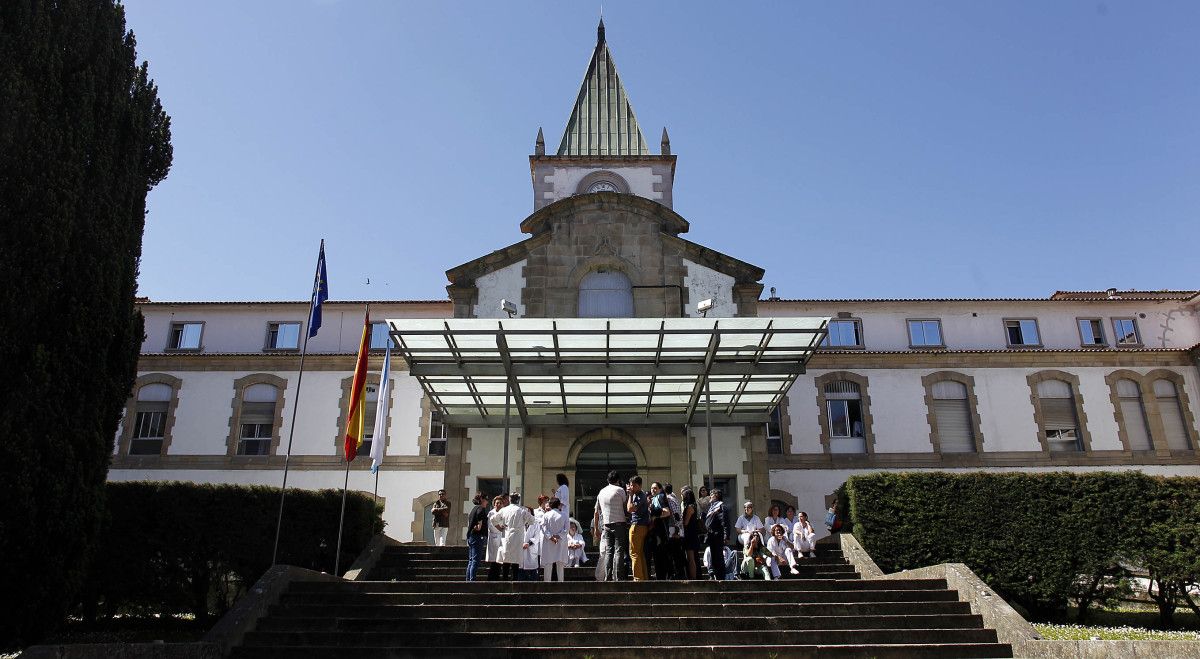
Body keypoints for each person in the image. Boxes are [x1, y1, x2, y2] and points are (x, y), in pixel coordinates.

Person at [596, 470, 629, 581]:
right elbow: (626, 507)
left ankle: (608, 576)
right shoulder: (620, 490)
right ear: (618, 480)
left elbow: (598, 509)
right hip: (619, 523)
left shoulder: (601, 491)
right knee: (619, 550)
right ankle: (619, 576)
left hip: (606, 524)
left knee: (609, 551)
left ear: (608, 480)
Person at [493, 492, 532, 581]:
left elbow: (493, 519)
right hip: (518, 537)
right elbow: (532, 521)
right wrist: (524, 522)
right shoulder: (522, 510)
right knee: (516, 561)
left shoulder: (504, 510)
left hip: (507, 536)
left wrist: (500, 527)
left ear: (510, 500)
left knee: (506, 559)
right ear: (518, 500)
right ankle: (515, 581)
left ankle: (505, 581)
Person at [626, 475, 650, 581]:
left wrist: (630, 495)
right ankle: (643, 577)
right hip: (641, 526)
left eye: (634, 486)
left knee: (634, 553)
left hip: (637, 526)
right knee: (639, 553)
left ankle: (638, 578)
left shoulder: (640, 496)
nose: (632, 488)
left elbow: (630, 509)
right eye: (631, 485)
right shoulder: (640, 495)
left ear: (639, 486)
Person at [539, 497, 569, 581]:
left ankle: (547, 583)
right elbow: (566, 529)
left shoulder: (546, 515)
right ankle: (561, 582)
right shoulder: (564, 515)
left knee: (548, 563)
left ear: (550, 505)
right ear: (559, 505)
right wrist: (558, 536)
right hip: (560, 541)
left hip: (549, 541)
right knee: (560, 564)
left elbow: (543, 528)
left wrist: (551, 537)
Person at [648, 482, 672, 580]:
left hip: (661, 531)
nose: (653, 490)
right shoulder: (654, 499)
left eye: (655, 488)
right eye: (651, 488)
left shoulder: (660, 497)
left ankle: (663, 576)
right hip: (657, 531)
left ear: (660, 489)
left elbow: (667, 512)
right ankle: (661, 576)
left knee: (661, 554)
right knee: (658, 555)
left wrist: (655, 517)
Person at [703, 488, 729, 581]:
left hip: (718, 535)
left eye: (712, 494)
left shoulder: (720, 506)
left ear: (717, 496)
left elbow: (725, 522)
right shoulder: (711, 507)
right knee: (713, 557)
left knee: (719, 557)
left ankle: (721, 578)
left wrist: (726, 536)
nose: (710, 496)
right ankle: (715, 576)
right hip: (711, 536)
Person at [465, 493, 490, 581]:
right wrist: (479, 525)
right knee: (475, 560)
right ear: (482, 500)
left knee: (471, 560)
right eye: (486, 500)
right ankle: (472, 580)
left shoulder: (473, 509)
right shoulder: (480, 509)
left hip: (471, 536)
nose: (487, 502)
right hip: (478, 537)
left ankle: (468, 579)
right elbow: (479, 524)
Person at [663, 483, 685, 580]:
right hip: (676, 529)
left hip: (673, 529)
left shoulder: (669, 499)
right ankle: (678, 573)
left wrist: (676, 529)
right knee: (677, 553)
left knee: (674, 553)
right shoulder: (675, 498)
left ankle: (677, 574)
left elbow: (676, 515)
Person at [681, 487, 702, 580]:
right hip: (692, 534)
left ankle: (693, 578)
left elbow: (686, 522)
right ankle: (694, 576)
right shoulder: (693, 505)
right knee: (692, 557)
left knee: (691, 558)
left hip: (690, 534)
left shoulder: (690, 507)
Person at [485, 495, 506, 580]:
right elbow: (491, 526)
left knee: (500, 560)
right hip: (494, 537)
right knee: (494, 560)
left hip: (501, 538)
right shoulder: (491, 513)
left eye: (500, 503)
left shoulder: (504, 513)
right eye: (497, 503)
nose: (499, 504)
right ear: (494, 504)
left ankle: (496, 577)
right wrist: (501, 528)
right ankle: (491, 578)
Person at [519, 504, 541, 581]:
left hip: (531, 548)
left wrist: (529, 543)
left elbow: (537, 536)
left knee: (533, 571)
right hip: (521, 548)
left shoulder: (536, 522)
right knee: (521, 571)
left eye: (528, 512)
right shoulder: (519, 523)